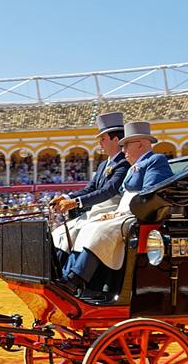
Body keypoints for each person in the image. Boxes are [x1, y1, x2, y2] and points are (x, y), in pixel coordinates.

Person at [61, 121, 173, 294]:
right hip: (124, 213)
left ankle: (77, 277)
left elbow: (149, 194)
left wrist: (119, 214)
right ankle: (72, 275)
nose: (123, 150)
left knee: (100, 230)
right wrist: (115, 213)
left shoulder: (155, 160)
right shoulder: (134, 166)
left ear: (141, 144)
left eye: (126, 146)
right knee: (90, 226)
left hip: (138, 216)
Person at [49, 112, 131, 263]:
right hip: (97, 211)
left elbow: (108, 191)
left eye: (103, 139)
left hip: (110, 211)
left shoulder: (124, 164)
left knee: (77, 232)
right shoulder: (102, 165)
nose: (100, 143)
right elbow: (90, 188)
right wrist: (67, 197)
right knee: (62, 233)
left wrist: (76, 202)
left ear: (116, 139)